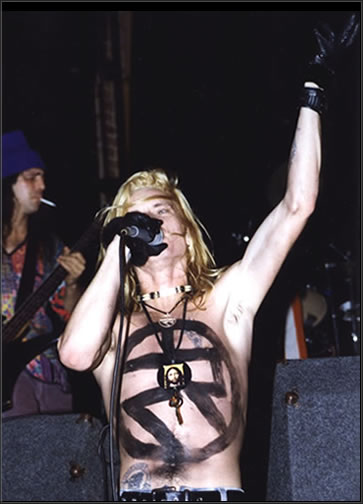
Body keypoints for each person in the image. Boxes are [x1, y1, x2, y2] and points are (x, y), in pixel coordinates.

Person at [58, 15, 359, 502]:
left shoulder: (227, 298)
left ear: (184, 226)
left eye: (158, 210)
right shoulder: (112, 324)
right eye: (134, 217)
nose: (148, 222)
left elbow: (296, 206)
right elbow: (73, 355)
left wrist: (315, 88)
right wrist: (115, 249)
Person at [2, 130, 86, 417]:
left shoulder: (50, 246)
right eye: (31, 177)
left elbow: (70, 318)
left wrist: (73, 284)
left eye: (42, 176)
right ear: (7, 182)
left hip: (48, 371)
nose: (42, 185)